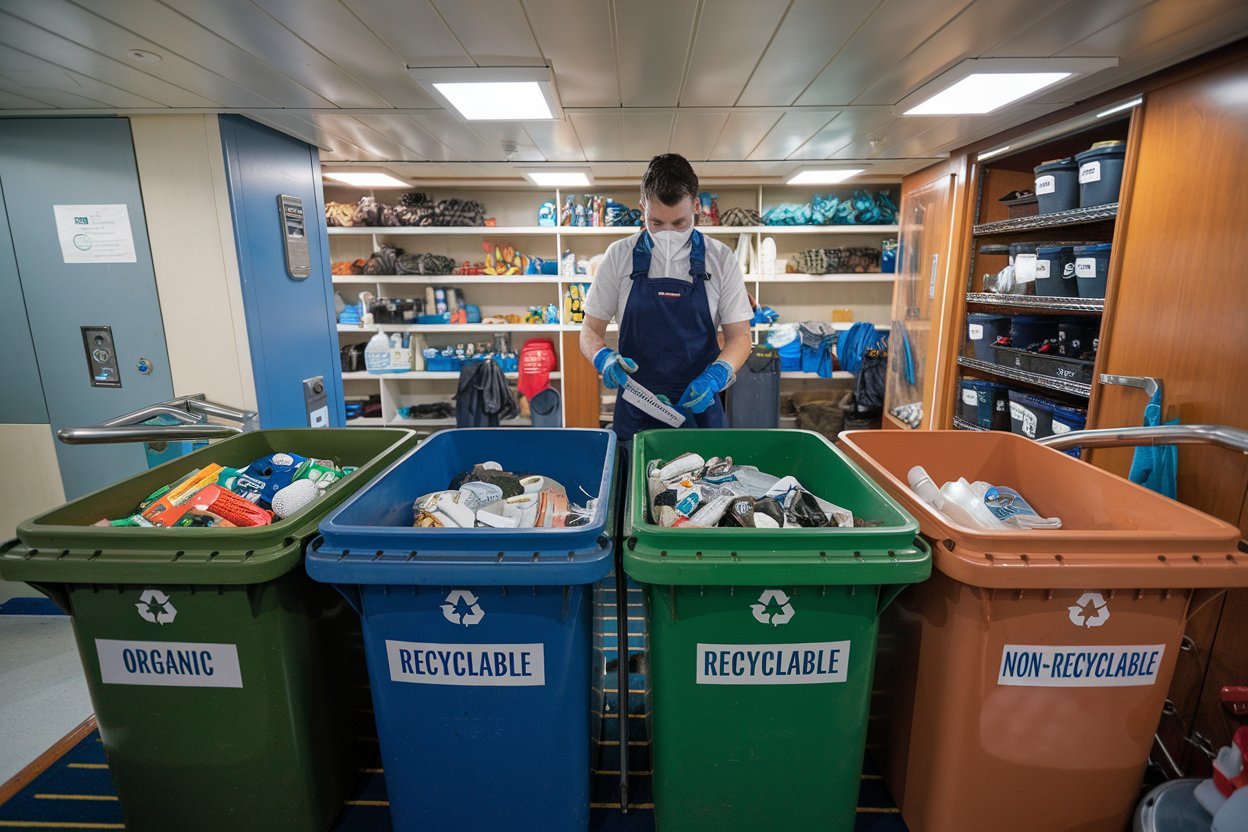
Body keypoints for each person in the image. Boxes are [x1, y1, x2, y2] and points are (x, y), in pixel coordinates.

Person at [580, 154, 753, 443]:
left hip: (700, 411)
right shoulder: (619, 256)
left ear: (697, 207)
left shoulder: (721, 259)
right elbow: (589, 330)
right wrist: (603, 358)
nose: (668, 233)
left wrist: (716, 377)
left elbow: (740, 337)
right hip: (636, 414)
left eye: (680, 222)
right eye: (656, 223)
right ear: (642, 209)